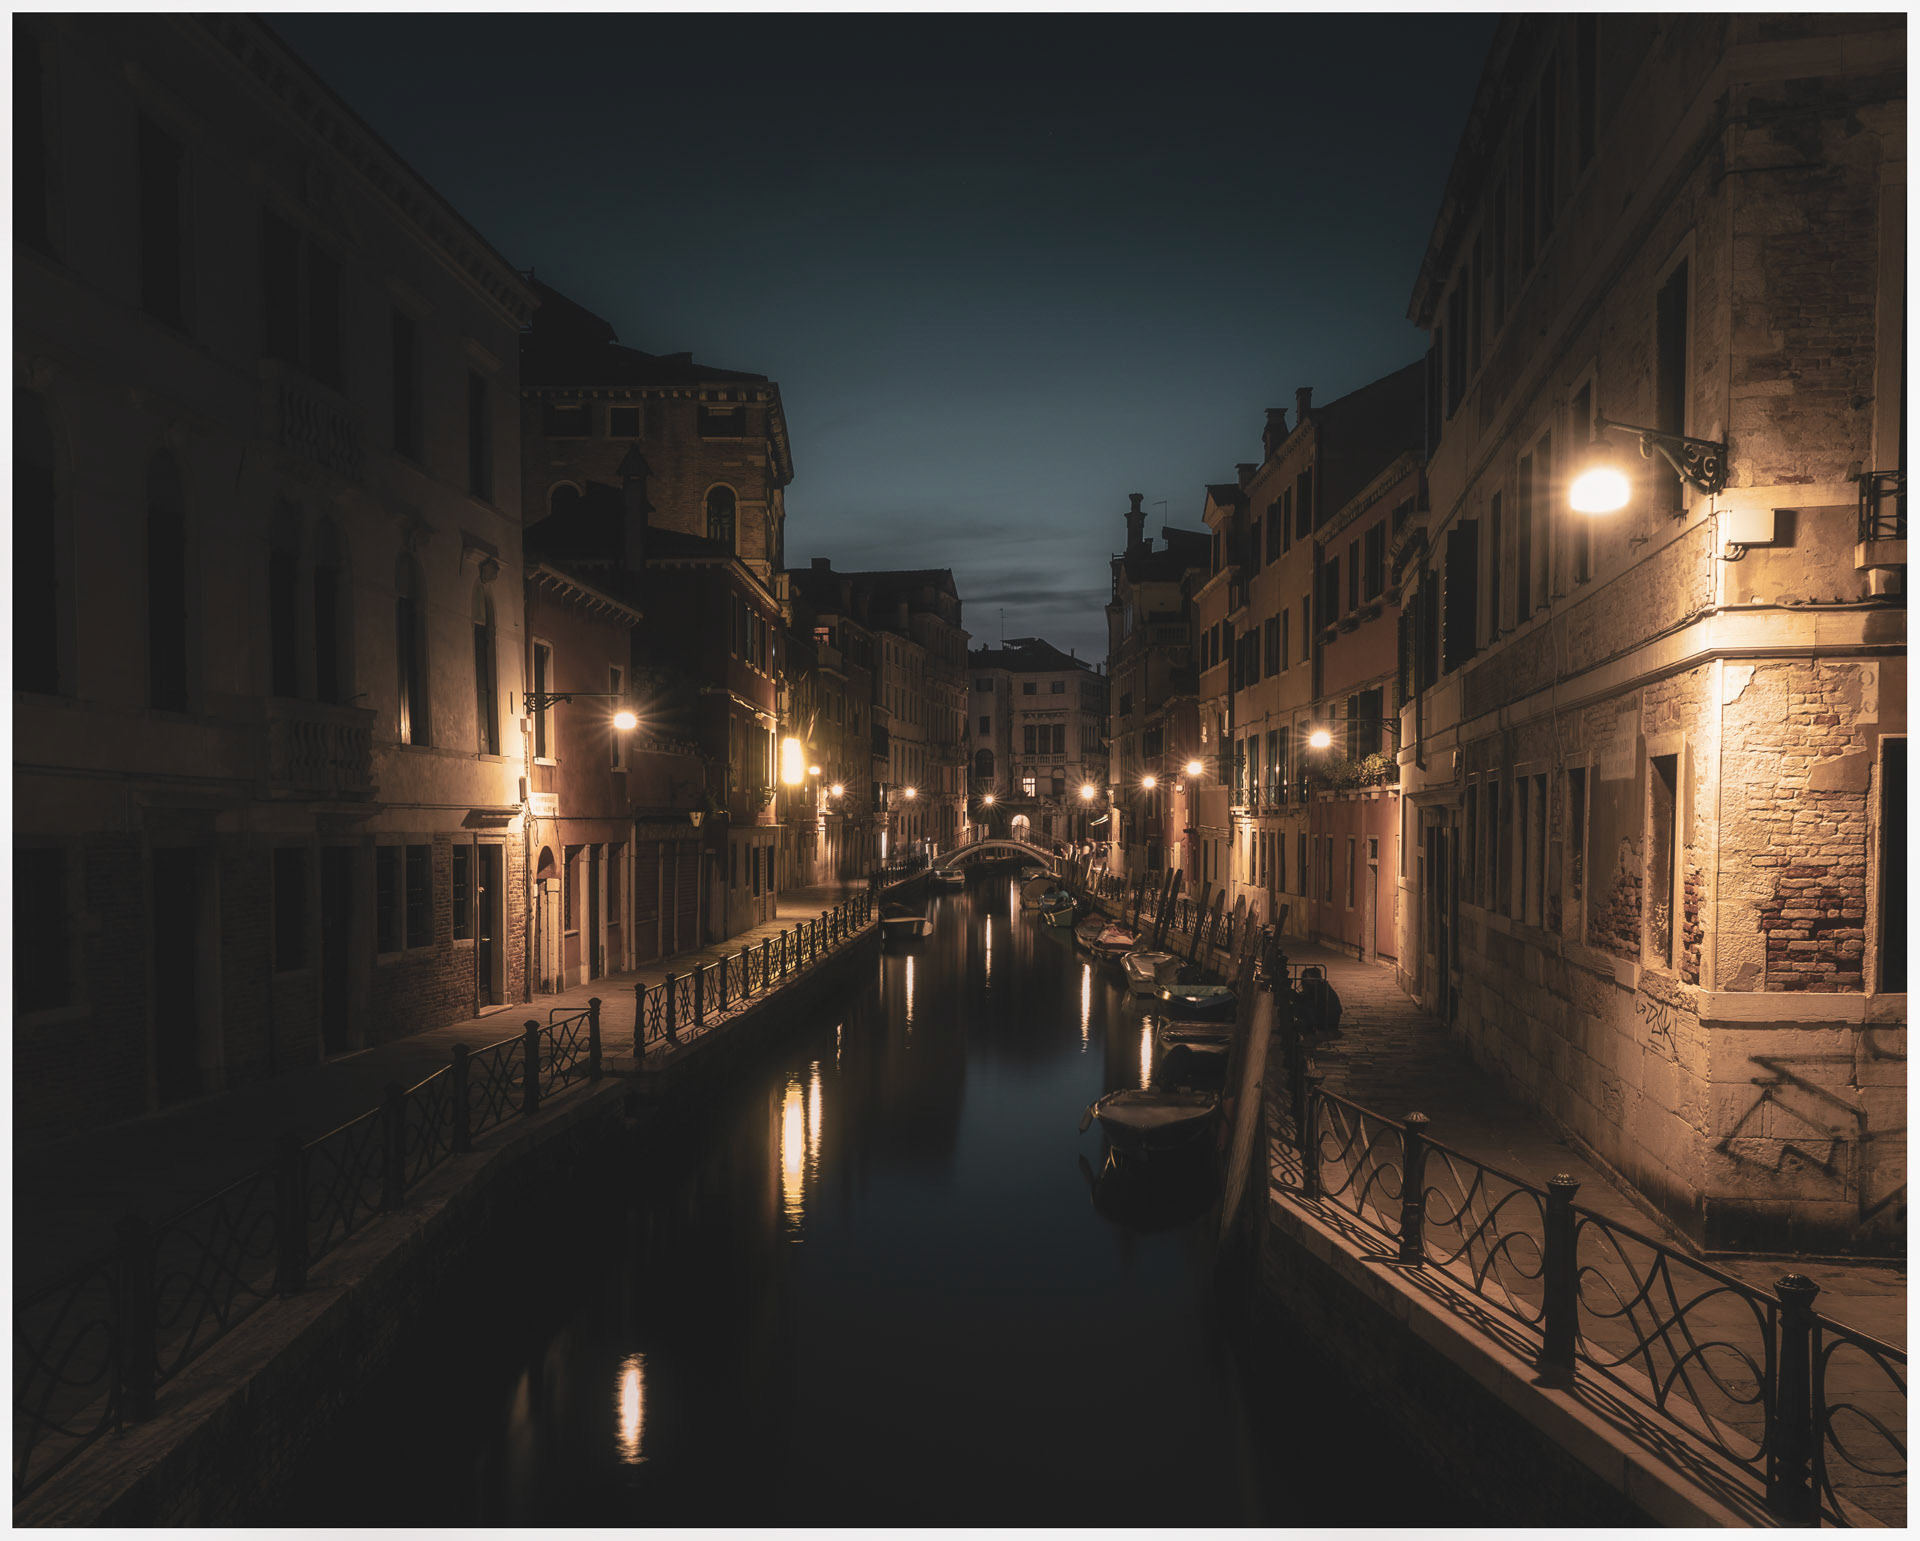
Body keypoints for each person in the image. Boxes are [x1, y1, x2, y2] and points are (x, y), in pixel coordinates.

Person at [1295, 965, 1343, 1039]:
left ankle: (1309, 1031)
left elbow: (1310, 1002)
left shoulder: (1320, 988)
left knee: (1303, 1007)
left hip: (1326, 1020)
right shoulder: (1321, 985)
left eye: (1310, 980)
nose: (1306, 981)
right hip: (1328, 1019)